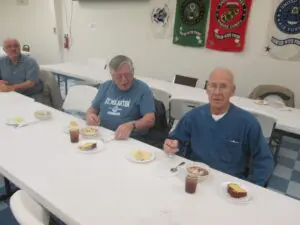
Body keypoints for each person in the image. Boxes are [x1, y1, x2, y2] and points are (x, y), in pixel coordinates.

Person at [164, 68, 274, 186]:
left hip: (229, 183)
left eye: (223, 86)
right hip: (195, 177)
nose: (217, 92)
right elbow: (175, 140)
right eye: (213, 86)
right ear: (207, 89)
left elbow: (264, 160)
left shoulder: (247, 123)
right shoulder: (193, 116)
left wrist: (251, 186)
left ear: (232, 91)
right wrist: (171, 145)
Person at [86, 55, 155, 140]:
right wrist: (90, 115)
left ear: (133, 71)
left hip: (129, 138)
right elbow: (92, 109)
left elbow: (150, 119)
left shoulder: (143, 89)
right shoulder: (105, 86)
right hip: (104, 135)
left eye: (127, 75)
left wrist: (131, 126)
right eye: (118, 76)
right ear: (112, 76)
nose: (124, 80)